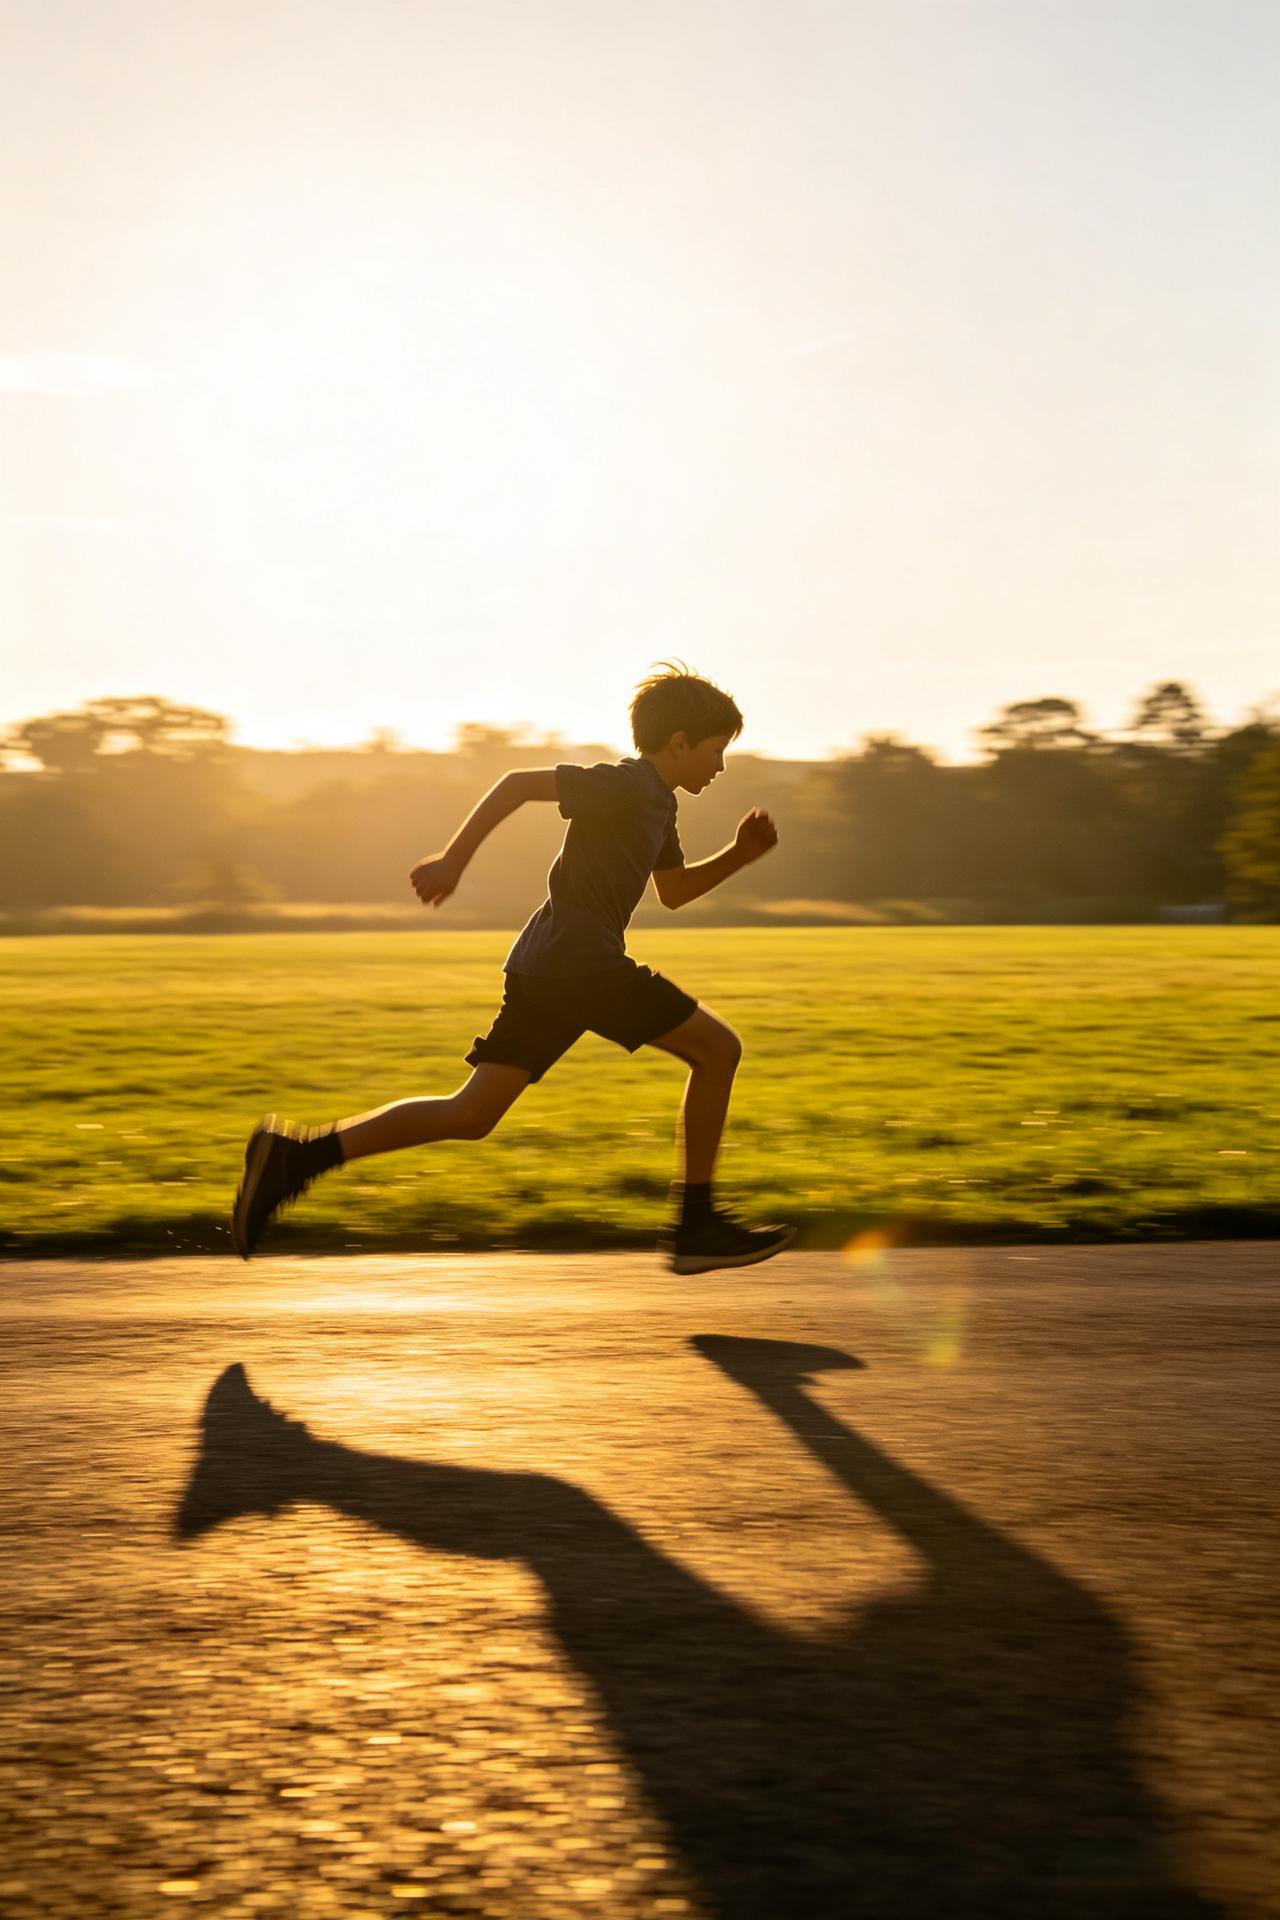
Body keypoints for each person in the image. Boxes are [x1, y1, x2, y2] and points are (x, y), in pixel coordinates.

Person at [231, 664, 794, 1273]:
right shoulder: (627, 785)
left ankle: (297, 1158)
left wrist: (739, 854)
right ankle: (696, 1224)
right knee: (717, 1050)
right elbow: (517, 784)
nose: (720, 766)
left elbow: (675, 890)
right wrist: (453, 860)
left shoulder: (658, 804)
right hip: (582, 965)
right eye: (715, 751)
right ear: (679, 743)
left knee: (470, 1115)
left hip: (552, 966)